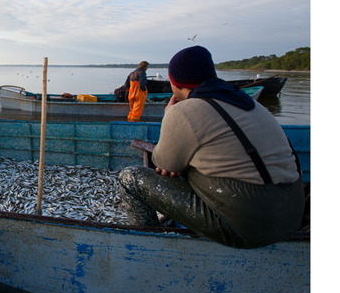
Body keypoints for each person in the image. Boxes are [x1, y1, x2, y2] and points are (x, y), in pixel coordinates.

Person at [117, 45, 305, 249]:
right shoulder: (250, 103)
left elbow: (162, 163)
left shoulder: (184, 110)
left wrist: (168, 116)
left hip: (249, 224)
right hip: (292, 211)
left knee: (130, 178)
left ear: (175, 83)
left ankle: (149, 247)